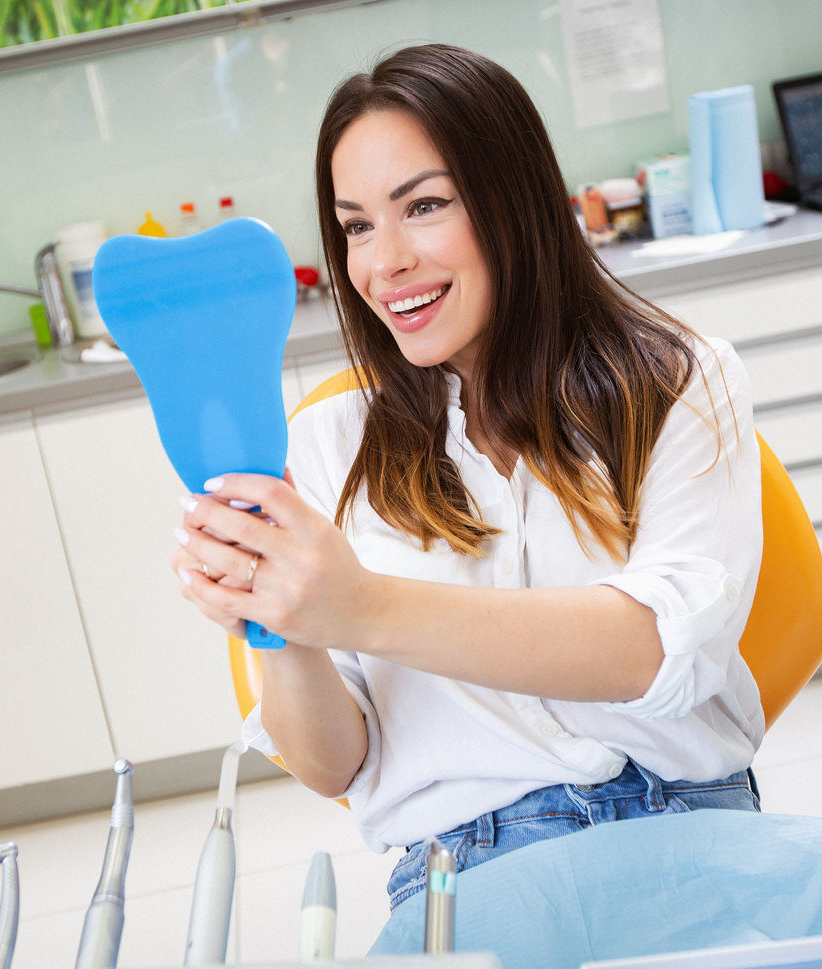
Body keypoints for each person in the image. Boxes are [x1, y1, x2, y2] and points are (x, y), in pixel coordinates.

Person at [171, 43, 764, 911]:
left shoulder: (677, 379)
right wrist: (287, 621)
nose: (384, 262)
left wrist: (362, 604)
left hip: (688, 832)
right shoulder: (330, 444)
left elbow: (654, 650)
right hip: (469, 869)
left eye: (426, 206)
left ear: (513, 200)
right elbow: (336, 762)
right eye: (358, 225)